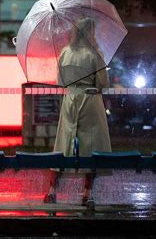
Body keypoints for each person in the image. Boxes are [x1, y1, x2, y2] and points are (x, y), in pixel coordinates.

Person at [43, 17, 112, 208]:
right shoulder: (94, 53)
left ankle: (51, 191)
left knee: (63, 143)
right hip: (89, 100)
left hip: (70, 99)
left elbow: (60, 80)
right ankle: (87, 193)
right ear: (89, 32)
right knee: (92, 145)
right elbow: (102, 82)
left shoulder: (65, 52)